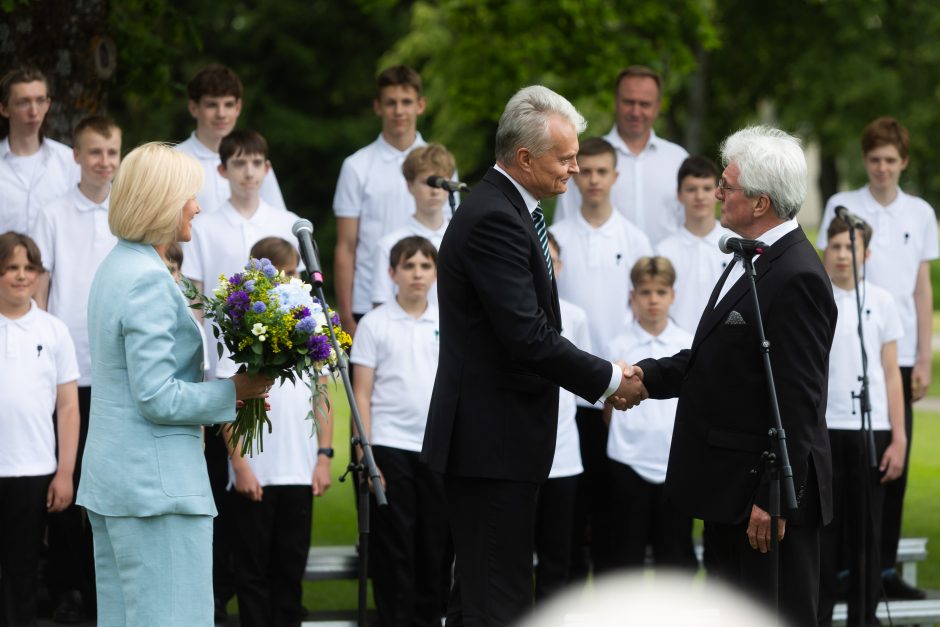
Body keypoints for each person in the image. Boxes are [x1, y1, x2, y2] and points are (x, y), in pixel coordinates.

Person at [421, 85, 644, 626]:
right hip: (490, 444)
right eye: (564, 158)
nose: (574, 168)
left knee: (486, 592)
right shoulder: (496, 218)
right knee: (495, 598)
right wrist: (611, 378)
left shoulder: (511, 210)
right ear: (524, 158)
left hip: (498, 444)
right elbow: (527, 335)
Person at [623, 126, 837, 626]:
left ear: (760, 202)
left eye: (727, 185)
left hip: (763, 506)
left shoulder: (798, 275)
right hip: (727, 494)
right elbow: (713, 359)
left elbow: (800, 400)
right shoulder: (749, 255)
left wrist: (773, 497)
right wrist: (642, 377)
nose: (717, 192)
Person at [76, 142, 270, 626]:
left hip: (120, 484)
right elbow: (157, 396)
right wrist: (236, 392)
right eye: (190, 196)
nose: (198, 207)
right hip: (153, 493)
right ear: (162, 200)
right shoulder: (146, 279)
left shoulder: (117, 266)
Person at [179, 127, 302, 620]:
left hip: (277, 353)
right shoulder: (206, 226)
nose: (249, 171)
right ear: (223, 171)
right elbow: (196, 298)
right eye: (239, 163)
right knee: (231, 493)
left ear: (266, 170)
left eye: (257, 163)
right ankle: (223, 593)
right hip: (223, 363)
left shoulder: (288, 222)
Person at [816, 117, 938, 599]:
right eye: (874, 160)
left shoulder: (921, 213)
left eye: (890, 160)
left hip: (898, 351)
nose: (882, 168)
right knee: (845, 469)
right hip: (849, 344)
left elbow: (922, 289)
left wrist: (924, 357)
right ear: (864, 162)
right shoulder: (842, 206)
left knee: (891, 463)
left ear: (903, 162)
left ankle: (882, 569)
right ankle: (845, 570)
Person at [548, 136, 652, 577]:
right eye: (583, 170)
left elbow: (644, 312)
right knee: (574, 500)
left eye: (600, 171)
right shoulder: (556, 237)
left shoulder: (635, 237)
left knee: (615, 501)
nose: (591, 179)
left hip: (620, 386)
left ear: (615, 176)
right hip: (570, 390)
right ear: (574, 174)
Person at [31, 113, 121, 621]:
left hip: (115, 370)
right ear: (76, 157)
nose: (104, 162)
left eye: (112, 152)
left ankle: (102, 586)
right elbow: (42, 289)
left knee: (104, 483)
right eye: (94, 152)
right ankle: (66, 587)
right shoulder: (52, 213)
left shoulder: (127, 214)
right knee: (66, 478)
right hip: (69, 370)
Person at [222, 236, 334, 627]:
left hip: (298, 472)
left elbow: (322, 396)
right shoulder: (238, 331)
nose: (288, 279)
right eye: (280, 273)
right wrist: (241, 466)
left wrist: (324, 456)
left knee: (289, 572)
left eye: (293, 272)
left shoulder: (311, 330)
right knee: (252, 573)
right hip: (257, 472)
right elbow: (227, 408)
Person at [352, 235, 448, 626]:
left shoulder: (448, 321)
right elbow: (361, 393)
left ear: (436, 272)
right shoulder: (375, 324)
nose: (417, 274)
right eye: (409, 266)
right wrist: (366, 451)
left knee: (435, 543)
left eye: (425, 266)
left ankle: (431, 618)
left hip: (436, 447)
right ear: (392, 273)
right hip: (390, 447)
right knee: (396, 547)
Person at [817, 218, 906, 626]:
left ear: (865, 254)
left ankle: (862, 618)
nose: (841, 255)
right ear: (824, 252)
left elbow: (890, 373)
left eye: (848, 247)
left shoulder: (882, 302)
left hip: (871, 430)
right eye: (834, 246)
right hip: (825, 430)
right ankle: (818, 614)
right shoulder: (814, 298)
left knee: (866, 535)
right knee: (825, 533)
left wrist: (899, 438)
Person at [0, 231, 79, 627]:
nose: (20, 276)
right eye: (10, 267)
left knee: (22, 570)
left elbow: (67, 407)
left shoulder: (53, 331)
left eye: (28, 268)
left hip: (32, 471)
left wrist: (64, 472)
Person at [605, 256, 696, 571]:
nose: (653, 300)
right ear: (633, 297)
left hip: (674, 464)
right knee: (625, 556)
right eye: (645, 292)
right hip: (627, 461)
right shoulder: (617, 345)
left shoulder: (688, 345)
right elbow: (607, 407)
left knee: (674, 557)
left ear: (673, 295)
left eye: (661, 291)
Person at [333, 65, 431, 336]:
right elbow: (346, 246)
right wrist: (346, 315)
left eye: (406, 102)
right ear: (378, 107)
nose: (399, 110)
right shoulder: (356, 166)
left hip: (430, 300)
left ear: (420, 105)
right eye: (391, 103)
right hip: (369, 301)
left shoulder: (439, 164)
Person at [552, 65, 687, 244]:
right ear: (616, 101)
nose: (636, 112)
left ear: (657, 107)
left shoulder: (677, 159)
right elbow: (564, 222)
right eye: (629, 102)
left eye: (644, 104)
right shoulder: (586, 159)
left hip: (668, 269)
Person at [533, 233, 587, 601]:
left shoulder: (577, 317)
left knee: (557, 552)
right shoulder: (514, 313)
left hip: (564, 450)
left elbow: (584, 377)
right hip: (521, 448)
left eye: (550, 259)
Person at [176, 63, 286, 213]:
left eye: (228, 104)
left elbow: (278, 218)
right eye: (212, 105)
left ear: (238, 108)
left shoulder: (255, 160)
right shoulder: (173, 161)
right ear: (194, 108)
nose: (221, 114)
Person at [370, 143, 455, 308]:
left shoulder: (462, 239)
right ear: (410, 185)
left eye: (441, 182)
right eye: (428, 182)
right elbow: (381, 309)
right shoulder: (388, 244)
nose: (435, 190)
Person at [656, 155, 732, 333]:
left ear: (718, 192)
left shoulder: (735, 246)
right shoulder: (663, 251)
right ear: (679, 195)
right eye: (691, 189)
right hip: (676, 350)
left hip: (724, 344)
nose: (699, 196)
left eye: (707, 188)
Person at [0, 66, 79, 235]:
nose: (34, 111)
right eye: (23, 102)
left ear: (48, 104)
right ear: (4, 109)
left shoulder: (69, 161)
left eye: (40, 100)